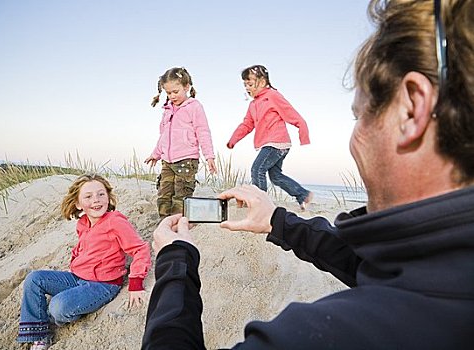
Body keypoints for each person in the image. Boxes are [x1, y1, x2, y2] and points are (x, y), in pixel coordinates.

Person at [142, 0, 474, 349]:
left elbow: (293, 116)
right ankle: (299, 195)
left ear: (411, 108)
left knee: (261, 170)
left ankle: (298, 194)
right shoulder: (443, 270)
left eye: (359, 115)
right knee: (274, 176)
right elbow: (367, 264)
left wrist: (175, 262)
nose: (354, 139)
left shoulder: (329, 334)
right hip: (272, 166)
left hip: (276, 143)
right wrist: (277, 220)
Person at [17, 174, 151, 350]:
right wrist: (75, 262)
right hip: (76, 278)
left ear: (108, 197)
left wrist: (136, 283)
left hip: (103, 285)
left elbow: (140, 249)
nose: (96, 200)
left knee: (58, 306)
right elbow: (81, 248)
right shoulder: (83, 223)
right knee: (34, 278)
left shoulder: (115, 221)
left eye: (101, 194)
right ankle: (40, 335)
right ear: (79, 204)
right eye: (88, 196)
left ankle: (54, 315)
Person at [226, 64, 312, 210]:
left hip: (276, 142)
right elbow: (247, 124)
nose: (247, 88)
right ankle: (303, 195)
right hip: (271, 144)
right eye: (245, 84)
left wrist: (303, 133)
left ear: (263, 82)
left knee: (257, 169)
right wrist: (234, 139)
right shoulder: (253, 105)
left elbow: (291, 113)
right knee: (276, 176)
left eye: (250, 84)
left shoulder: (272, 96)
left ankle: (261, 205)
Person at [145, 67, 217, 219]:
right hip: (167, 162)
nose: (172, 96)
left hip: (186, 161)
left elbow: (203, 132)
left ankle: (178, 225)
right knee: (164, 194)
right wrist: (155, 154)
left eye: (175, 92)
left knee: (181, 195)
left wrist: (209, 156)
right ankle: (164, 222)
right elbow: (164, 136)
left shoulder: (194, 107)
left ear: (186, 87)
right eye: (168, 93)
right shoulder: (167, 110)